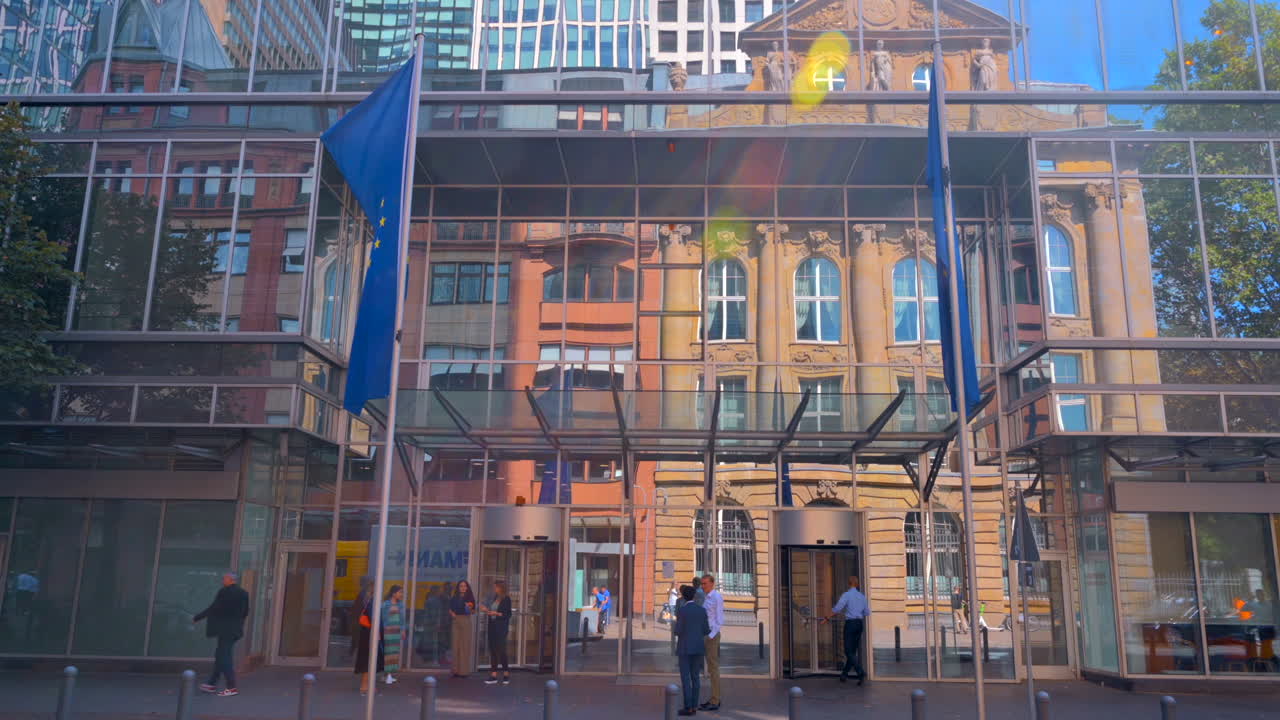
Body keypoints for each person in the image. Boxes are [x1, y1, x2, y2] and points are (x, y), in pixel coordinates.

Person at [193, 571, 250, 698]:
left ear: (230, 579)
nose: (222, 580)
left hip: (224, 629)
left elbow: (214, 608)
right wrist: (238, 623)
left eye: (224, 578)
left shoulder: (224, 592)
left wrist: (197, 617)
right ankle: (212, 683)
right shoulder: (244, 593)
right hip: (235, 630)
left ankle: (231, 687)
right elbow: (246, 612)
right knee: (221, 654)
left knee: (224, 657)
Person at [674, 585, 710, 716]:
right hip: (698, 648)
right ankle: (694, 706)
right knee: (696, 677)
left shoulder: (682, 611)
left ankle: (688, 706)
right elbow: (706, 630)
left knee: (685, 678)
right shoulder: (702, 610)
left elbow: (677, 631)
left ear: (683, 597)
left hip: (684, 648)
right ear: (694, 596)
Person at [828, 575, 868, 685]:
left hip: (850, 624)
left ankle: (860, 672)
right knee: (852, 651)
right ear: (857, 584)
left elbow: (837, 608)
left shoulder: (847, 595)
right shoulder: (862, 596)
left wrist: (827, 617)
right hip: (859, 624)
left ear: (848, 583)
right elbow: (867, 612)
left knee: (848, 651)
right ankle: (844, 674)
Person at [699, 575, 724, 712]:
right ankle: (714, 698)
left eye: (705, 583)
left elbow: (720, 620)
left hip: (711, 636)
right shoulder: (707, 597)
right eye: (702, 584)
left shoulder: (716, 597)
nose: (703, 586)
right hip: (706, 634)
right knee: (710, 668)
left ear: (712, 583)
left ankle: (715, 700)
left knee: (713, 668)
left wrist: (710, 636)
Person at [484, 580, 513, 685]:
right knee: (493, 650)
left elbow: (507, 614)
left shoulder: (506, 599)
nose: (494, 589)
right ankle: (494, 675)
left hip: (501, 628)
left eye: (496, 587)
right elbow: (492, 611)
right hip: (492, 626)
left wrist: (496, 613)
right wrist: (487, 610)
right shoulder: (495, 598)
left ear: (501, 588)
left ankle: (506, 674)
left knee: (501, 650)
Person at [354, 593, 383, 695]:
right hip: (370, 635)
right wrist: (378, 633)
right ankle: (366, 686)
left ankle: (367, 686)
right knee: (370, 661)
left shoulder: (368, 601)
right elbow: (373, 619)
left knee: (369, 660)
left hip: (367, 634)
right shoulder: (373, 603)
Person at [449, 580, 477, 678]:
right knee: (455, 645)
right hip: (456, 620)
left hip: (465, 620)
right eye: (461, 586)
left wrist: (469, 608)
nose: (463, 588)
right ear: (458, 587)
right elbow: (450, 608)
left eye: (465, 586)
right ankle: (455, 670)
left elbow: (473, 612)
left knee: (464, 646)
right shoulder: (454, 597)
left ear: (467, 587)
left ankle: (463, 672)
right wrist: (452, 614)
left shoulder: (470, 598)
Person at [381, 585, 405, 685]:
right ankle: (386, 675)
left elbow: (402, 619)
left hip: (396, 632)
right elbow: (382, 618)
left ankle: (389, 674)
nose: (401, 594)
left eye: (402, 592)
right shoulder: (385, 604)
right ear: (393, 593)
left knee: (394, 653)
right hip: (387, 632)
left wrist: (403, 630)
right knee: (387, 653)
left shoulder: (401, 605)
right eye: (400, 592)